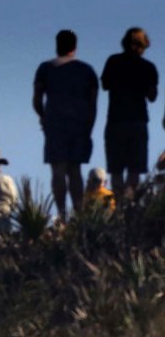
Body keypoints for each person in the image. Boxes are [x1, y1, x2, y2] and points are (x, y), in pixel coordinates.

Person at [33, 30, 98, 218]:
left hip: (55, 123)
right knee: (75, 169)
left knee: (58, 169)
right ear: (75, 47)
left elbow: (37, 99)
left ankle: (62, 214)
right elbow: (93, 104)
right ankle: (79, 213)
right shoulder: (87, 70)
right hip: (79, 124)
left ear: (57, 45)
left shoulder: (46, 68)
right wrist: (89, 126)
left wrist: (43, 116)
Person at [101, 27, 158, 196]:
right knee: (135, 170)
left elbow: (105, 85)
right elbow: (152, 96)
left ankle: (119, 206)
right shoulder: (148, 67)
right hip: (138, 121)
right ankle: (129, 205)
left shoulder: (113, 61)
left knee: (116, 170)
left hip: (116, 120)